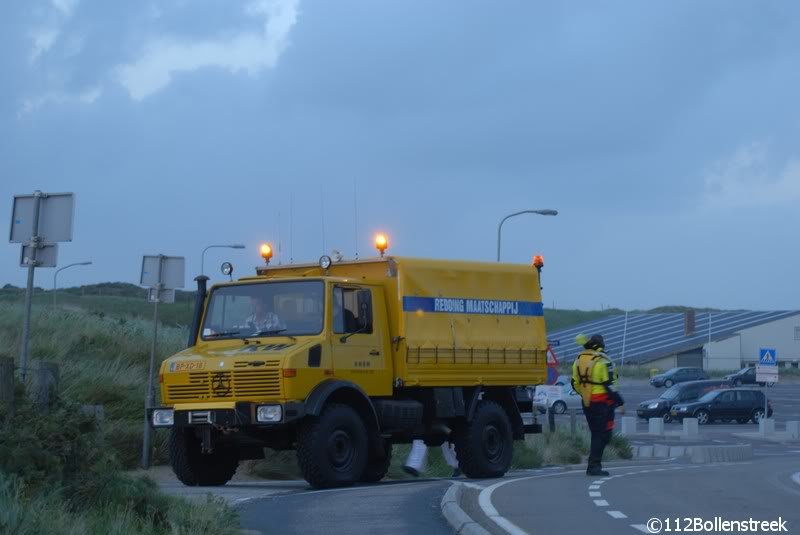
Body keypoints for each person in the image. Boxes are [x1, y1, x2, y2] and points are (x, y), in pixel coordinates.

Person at [571, 333, 624, 476]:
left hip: (587, 402)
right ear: (602, 345)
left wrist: (585, 394)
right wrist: (620, 402)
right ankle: (594, 466)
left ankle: (594, 464)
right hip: (603, 403)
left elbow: (574, 383)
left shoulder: (579, 360)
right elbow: (609, 385)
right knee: (602, 435)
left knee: (597, 434)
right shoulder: (603, 361)